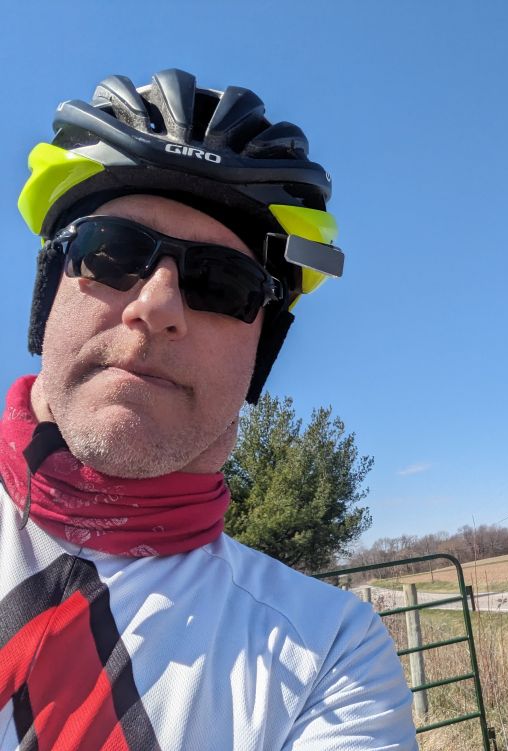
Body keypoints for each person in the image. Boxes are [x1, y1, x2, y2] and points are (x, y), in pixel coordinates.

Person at [0, 68, 418, 750]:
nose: (157, 308)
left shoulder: (329, 657)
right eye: (111, 252)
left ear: (263, 352)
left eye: (221, 284)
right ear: (48, 292)